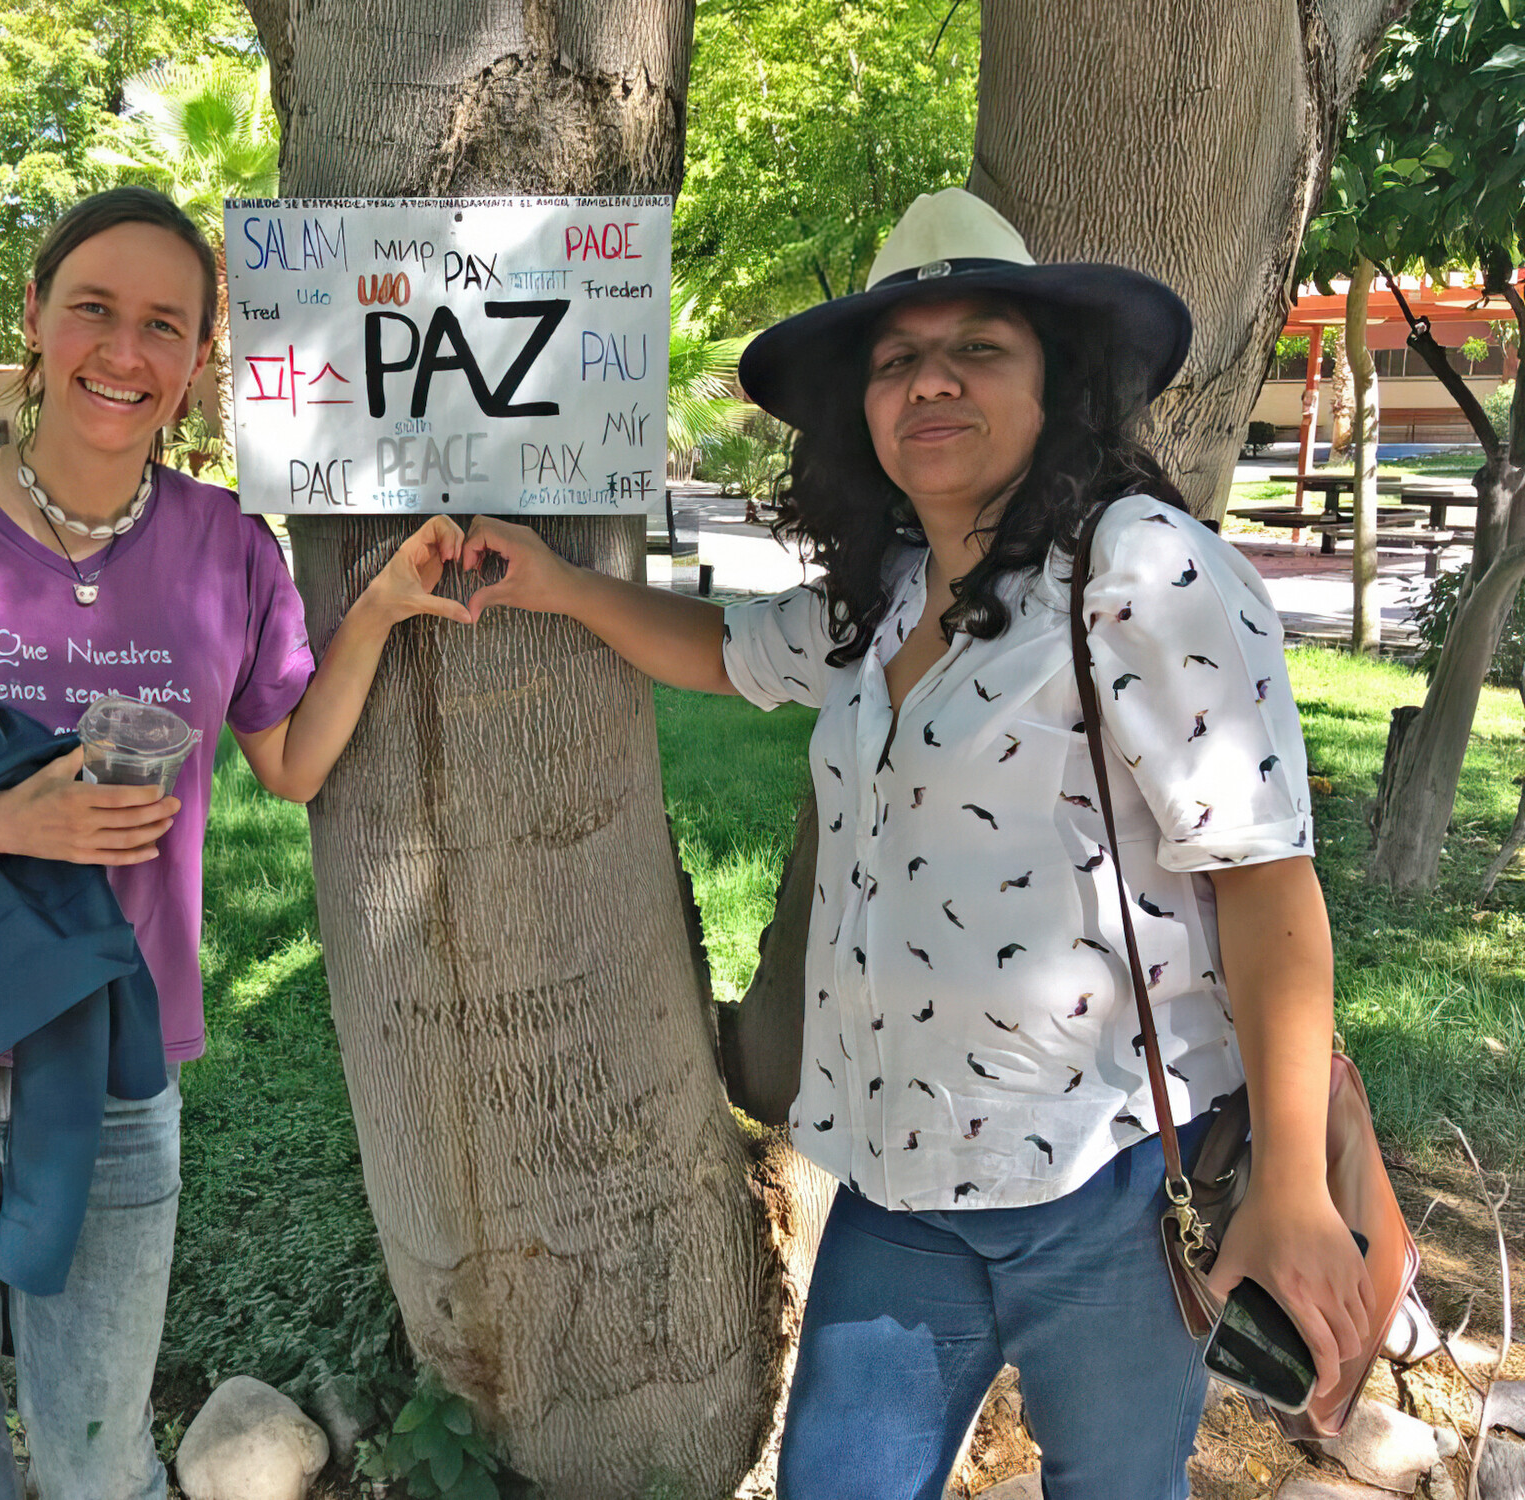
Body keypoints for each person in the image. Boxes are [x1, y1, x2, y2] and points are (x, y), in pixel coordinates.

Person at [458, 188, 1372, 1500]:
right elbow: (721, 649)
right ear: (862, 410)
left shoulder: (1139, 569)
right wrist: (548, 582)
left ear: (1054, 384)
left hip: (1110, 1189)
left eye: (977, 349)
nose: (931, 382)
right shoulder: (880, 599)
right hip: (898, 1187)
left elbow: (1267, 883)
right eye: (896, 362)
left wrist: (1290, 1180)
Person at [0, 186, 467, 1500]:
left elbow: (293, 761)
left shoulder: (228, 550)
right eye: (93, 310)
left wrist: (372, 615)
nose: (123, 352)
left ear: (199, 361)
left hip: (119, 1060)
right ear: (34, 323)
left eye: (163, 325)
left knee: (99, 1455)